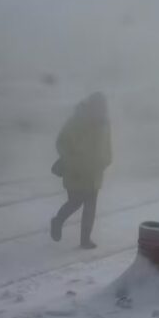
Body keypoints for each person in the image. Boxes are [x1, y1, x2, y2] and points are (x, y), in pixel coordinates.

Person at [51, 92, 112, 249]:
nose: (102, 111)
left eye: (103, 107)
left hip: (94, 172)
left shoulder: (105, 123)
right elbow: (61, 143)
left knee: (90, 208)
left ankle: (85, 240)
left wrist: (108, 159)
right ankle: (57, 221)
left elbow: (107, 144)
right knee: (75, 202)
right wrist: (73, 163)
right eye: (98, 107)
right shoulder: (76, 122)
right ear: (91, 106)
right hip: (76, 172)